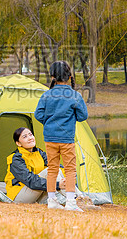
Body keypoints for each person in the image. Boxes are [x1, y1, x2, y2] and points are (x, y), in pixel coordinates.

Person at [34, 61, 88, 211]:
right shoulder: (75, 95)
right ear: (70, 76)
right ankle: (71, 202)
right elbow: (83, 116)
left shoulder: (46, 95)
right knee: (70, 169)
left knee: (52, 169)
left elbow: (38, 115)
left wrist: (50, 123)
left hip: (50, 138)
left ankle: (52, 201)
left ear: (52, 76)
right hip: (66, 139)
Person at [5, 127, 51, 203]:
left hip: (37, 191)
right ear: (18, 143)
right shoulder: (16, 158)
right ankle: (72, 198)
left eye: (31, 135)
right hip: (20, 195)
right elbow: (31, 181)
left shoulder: (39, 153)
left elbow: (56, 166)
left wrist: (68, 178)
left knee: (56, 169)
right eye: (25, 137)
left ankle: (73, 197)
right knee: (49, 171)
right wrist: (58, 185)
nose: (30, 138)